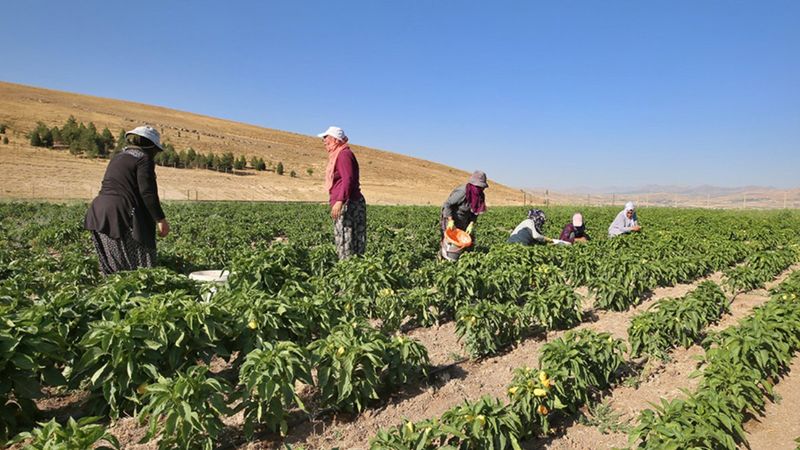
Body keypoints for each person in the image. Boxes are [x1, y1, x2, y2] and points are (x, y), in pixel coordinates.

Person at [84, 126, 170, 275]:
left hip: (99, 212)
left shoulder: (118, 157)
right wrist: (160, 219)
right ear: (149, 145)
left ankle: (112, 296)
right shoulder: (144, 159)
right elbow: (147, 192)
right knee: (139, 271)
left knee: (112, 270)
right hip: (121, 213)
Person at [318, 126, 366, 259]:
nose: (324, 140)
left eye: (326, 138)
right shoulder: (340, 154)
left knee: (345, 239)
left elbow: (348, 179)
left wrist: (339, 201)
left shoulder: (343, 154)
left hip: (348, 203)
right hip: (347, 201)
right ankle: (352, 267)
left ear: (335, 139)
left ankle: (348, 269)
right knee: (349, 238)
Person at [441, 170, 488, 244]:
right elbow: (447, 204)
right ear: (473, 185)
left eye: (482, 187)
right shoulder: (462, 192)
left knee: (464, 241)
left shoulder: (480, 196)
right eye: (479, 187)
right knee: (449, 242)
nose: (481, 189)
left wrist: (471, 224)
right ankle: (443, 254)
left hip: (465, 220)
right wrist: (450, 220)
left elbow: (475, 212)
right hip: (452, 217)